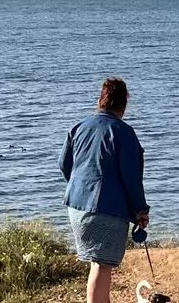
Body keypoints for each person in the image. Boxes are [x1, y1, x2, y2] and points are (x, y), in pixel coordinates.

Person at [59, 77, 149, 303]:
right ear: (124, 104)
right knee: (102, 265)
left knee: (96, 262)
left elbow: (64, 164)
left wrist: (80, 184)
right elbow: (132, 177)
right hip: (107, 209)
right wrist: (140, 209)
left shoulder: (79, 127)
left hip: (77, 205)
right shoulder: (123, 132)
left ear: (100, 100)